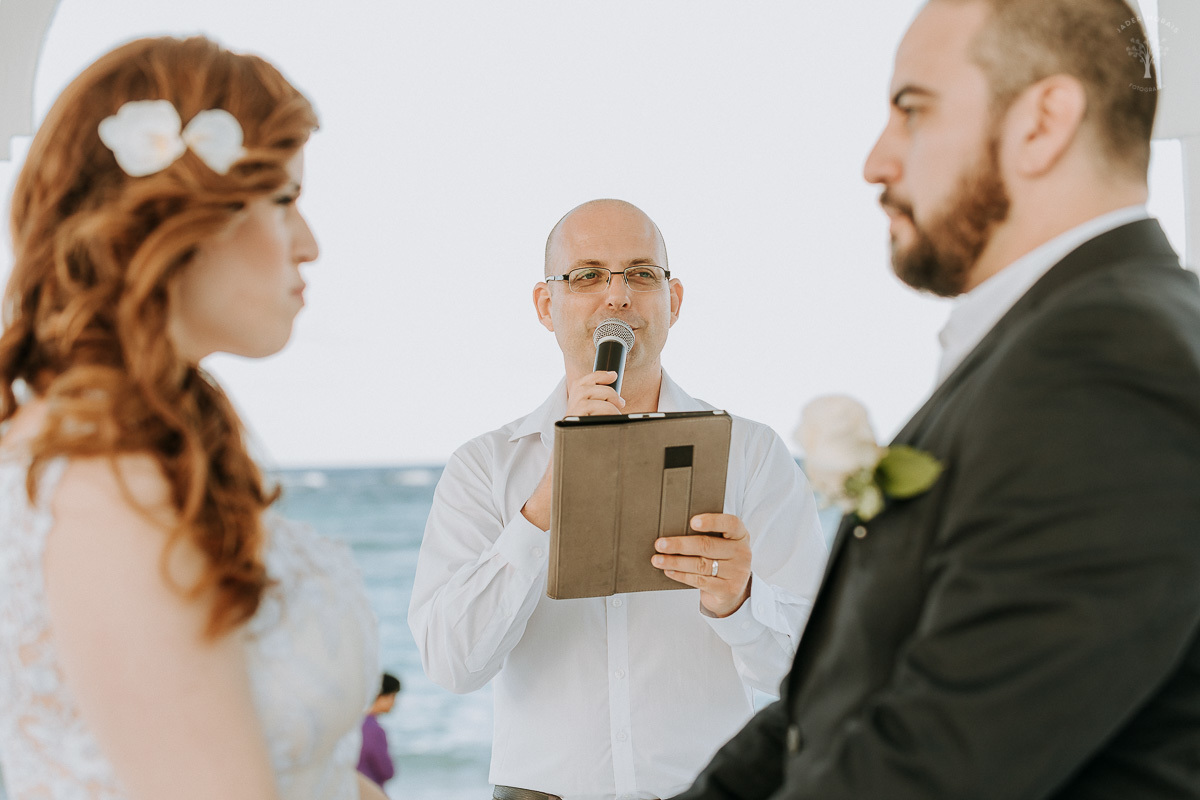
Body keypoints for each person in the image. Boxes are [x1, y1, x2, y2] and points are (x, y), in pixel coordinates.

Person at [672, 1, 1200, 798]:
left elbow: (933, 768)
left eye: (912, 111)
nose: (875, 161)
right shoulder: (1054, 342)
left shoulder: (1110, 365)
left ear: (1043, 122)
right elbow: (829, 706)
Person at [0, 37, 385, 800]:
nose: (308, 245)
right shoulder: (106, 483)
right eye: (282, 201)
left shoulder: (139, 446)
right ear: (177, 217)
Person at [408, 198, 828, 800]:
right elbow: (453, 666)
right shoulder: (485, 465)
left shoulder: (753, 454)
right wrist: (548, 499)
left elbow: (812, 672)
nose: (617, 295)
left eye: (640, 273)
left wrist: (739, 599)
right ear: (545, 304)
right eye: (587, 275)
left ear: (673, 298)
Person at [358, 673, 401, 792]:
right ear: (380, 695)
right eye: (392, 696)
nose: (394, 702)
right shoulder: (374, 730)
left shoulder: (354, 722)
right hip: (370, 791)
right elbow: (387, 771)